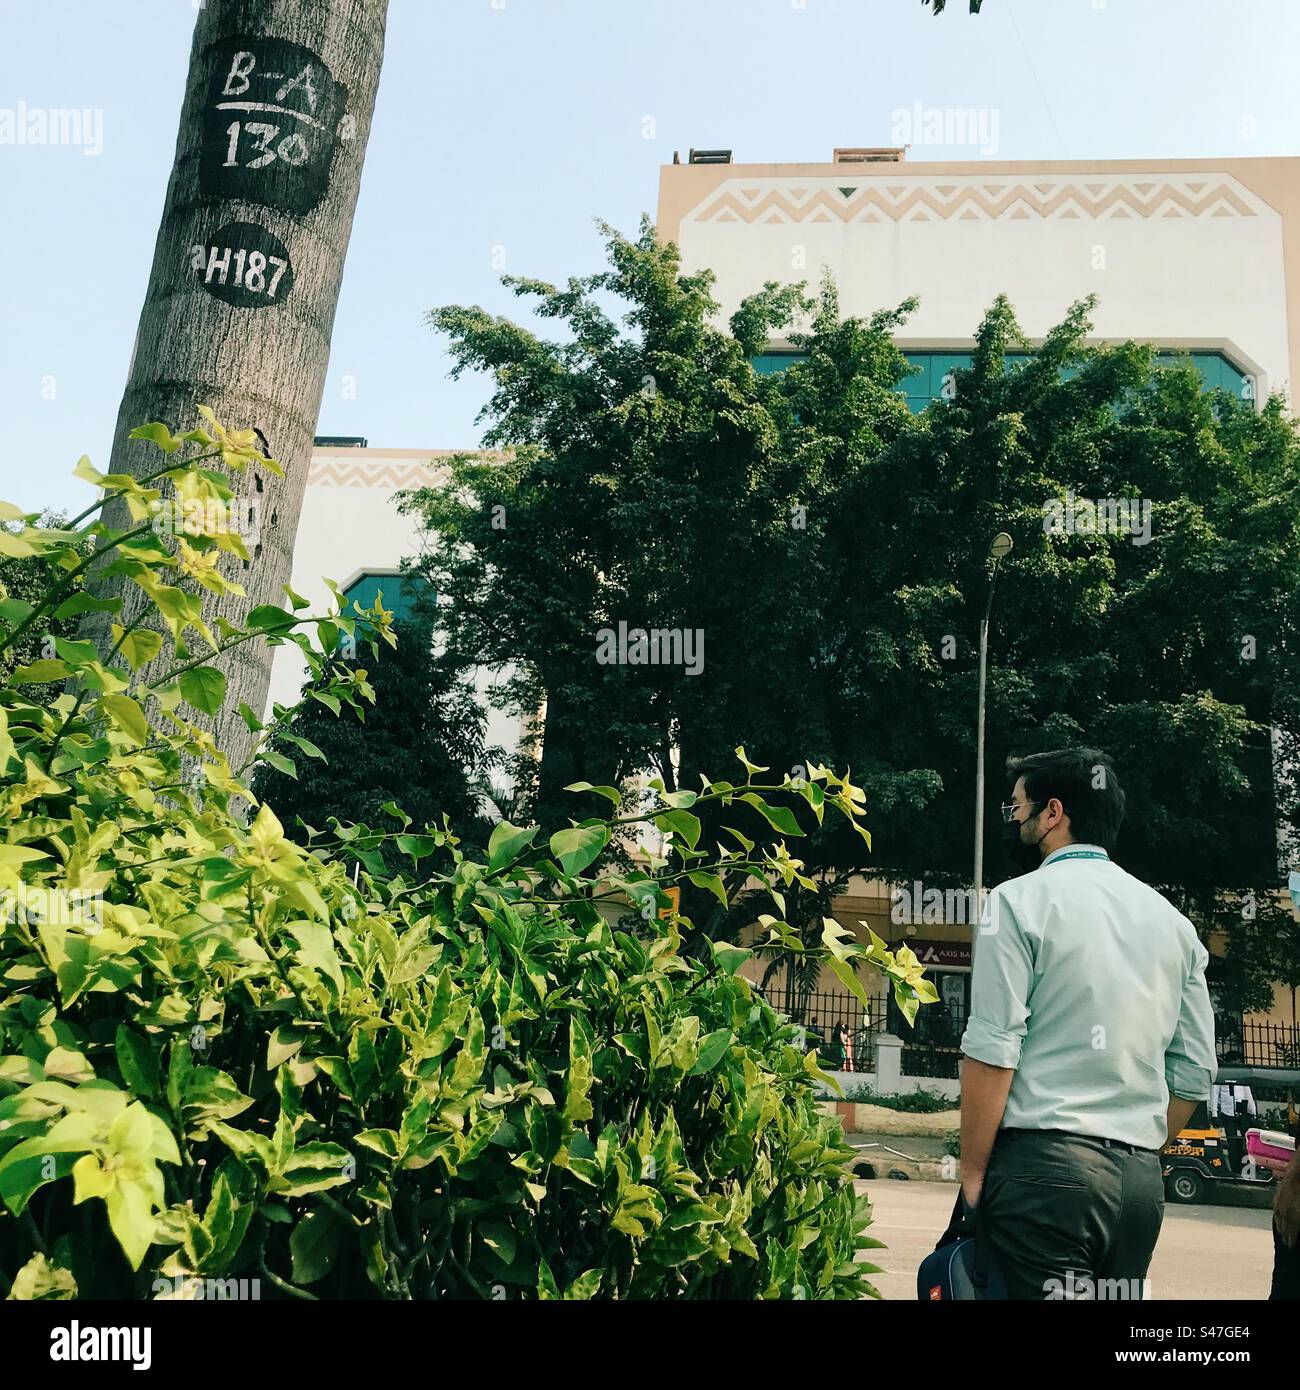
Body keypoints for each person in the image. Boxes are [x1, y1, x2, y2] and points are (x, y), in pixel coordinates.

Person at [955, 748, 1217, 1301]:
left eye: (1017, 807)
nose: (1014, 819)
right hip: (1140, 1187)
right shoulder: (1174, 926)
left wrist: (972, 1170)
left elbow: (994, 1050)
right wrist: (1133, 1142)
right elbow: (1194, 1073)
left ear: (1052, 813)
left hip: (1044, 1174)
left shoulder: (1015, 903)